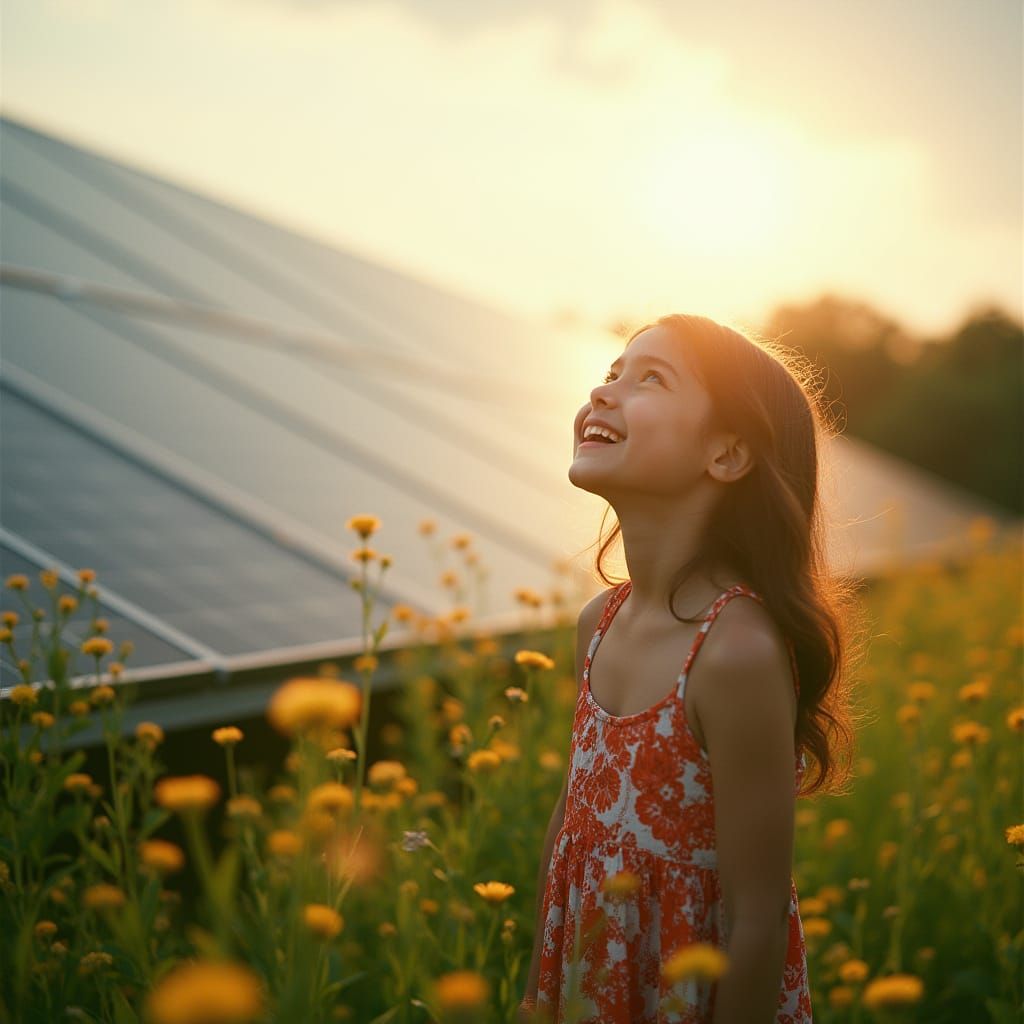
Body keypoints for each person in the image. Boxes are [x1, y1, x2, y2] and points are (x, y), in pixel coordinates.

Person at [518, 314, 863, 1023]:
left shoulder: (734, 652)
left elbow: (756, 920)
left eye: (650, 378)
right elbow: (568, 835)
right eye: (612, 371)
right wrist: (534, 996)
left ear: (728, 453)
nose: (603, 390)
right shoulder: (598, 623)